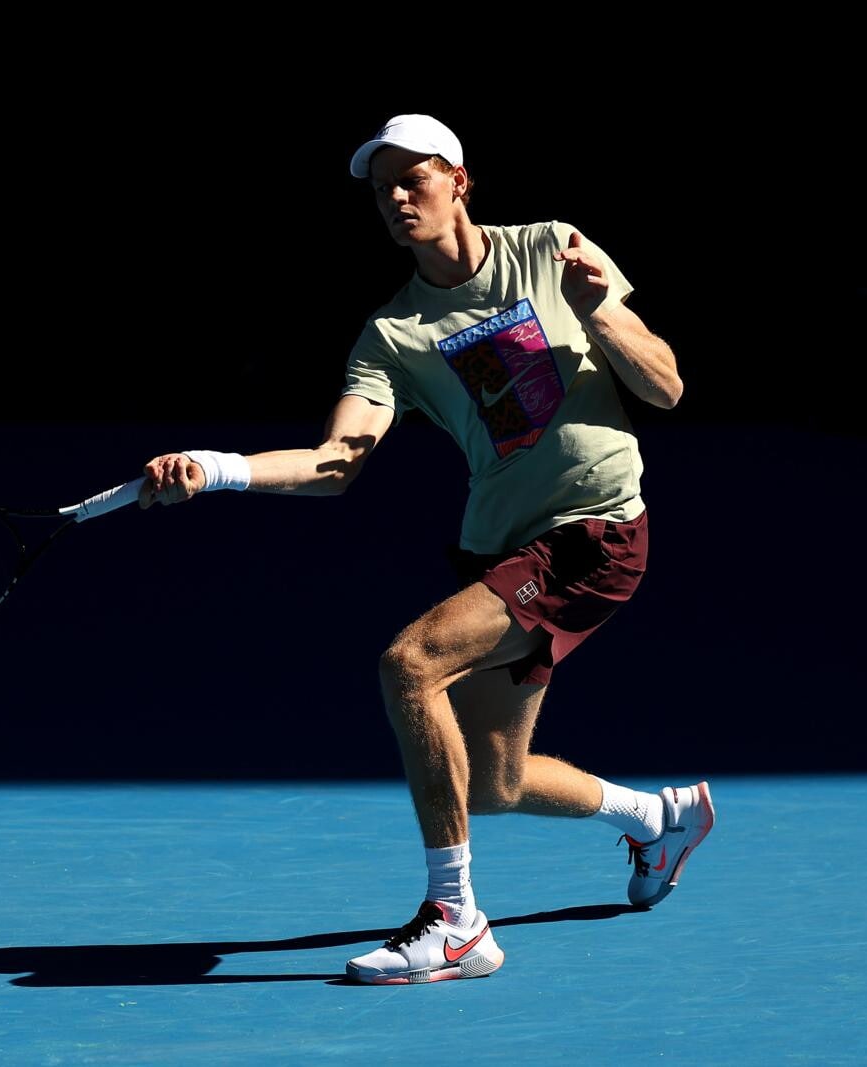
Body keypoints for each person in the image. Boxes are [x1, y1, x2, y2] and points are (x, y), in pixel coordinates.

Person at [136, 114, 714, 985]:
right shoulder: (393, 334)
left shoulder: (551, 249)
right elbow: (336, 463)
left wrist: (599, 311)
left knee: (410, 665)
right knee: (490, 781)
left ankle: (457, 922)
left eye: (414, 179)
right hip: (502, 548)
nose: (398, 198)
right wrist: (218, 468)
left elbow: (665, 386)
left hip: (595, 529)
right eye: (382, 188)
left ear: (460, 181)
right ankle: (658, 818)